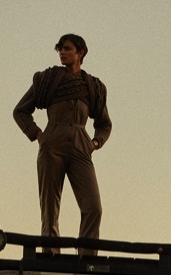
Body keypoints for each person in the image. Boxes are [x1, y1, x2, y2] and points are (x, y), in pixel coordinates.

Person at [14, 34, 112, 255]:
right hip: (52, 144)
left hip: (81, 146)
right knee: (50, 209)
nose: (62, 53)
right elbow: (20, 111)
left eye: (67, 49)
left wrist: (94, 143)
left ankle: (87, 257)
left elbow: (105, 124)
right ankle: (51, 255)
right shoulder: (47, 80)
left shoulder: (93, 87)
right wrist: (39, 135)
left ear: (81, 53)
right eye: (60, 49)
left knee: (93, 207)